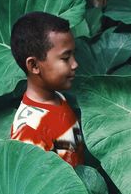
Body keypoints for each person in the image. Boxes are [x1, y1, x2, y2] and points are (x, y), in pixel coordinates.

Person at [10, 11, 84, 167]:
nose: (75, 64)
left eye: (74, 55)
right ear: (34, 66)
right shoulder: (29, 129)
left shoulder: (58, 97)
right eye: (65, 58)